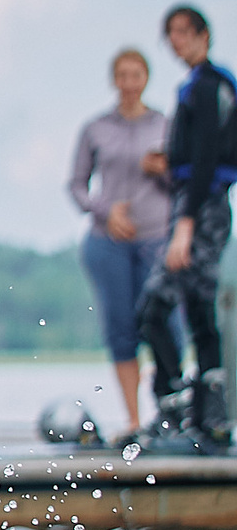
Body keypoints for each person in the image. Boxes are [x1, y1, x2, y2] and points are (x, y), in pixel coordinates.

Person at [136, 4, 235, 448]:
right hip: (200, 203)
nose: (174, 41)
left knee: (153, 309)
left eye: (181, 32)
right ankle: (209, 420)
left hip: (201, 209)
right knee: (198, 311)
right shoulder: (205, 86)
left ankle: (175, 410)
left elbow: (209, 156)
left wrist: (186, 225)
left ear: (202, 34)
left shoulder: (208, 86)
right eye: (169, 33)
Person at [68, 47, 174, 435]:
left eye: (136, 75)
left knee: (164, 325)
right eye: (123, 75)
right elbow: (76, 186)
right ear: (114, 80)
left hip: (156, 239)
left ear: (146, 79)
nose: (129, 83)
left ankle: (168, 414)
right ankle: (133, 419)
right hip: (108, 241)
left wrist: (162, 170)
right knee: (121, 328)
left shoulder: (165, 126)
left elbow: (184, 183)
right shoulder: (95, 128)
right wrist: (105, 211)